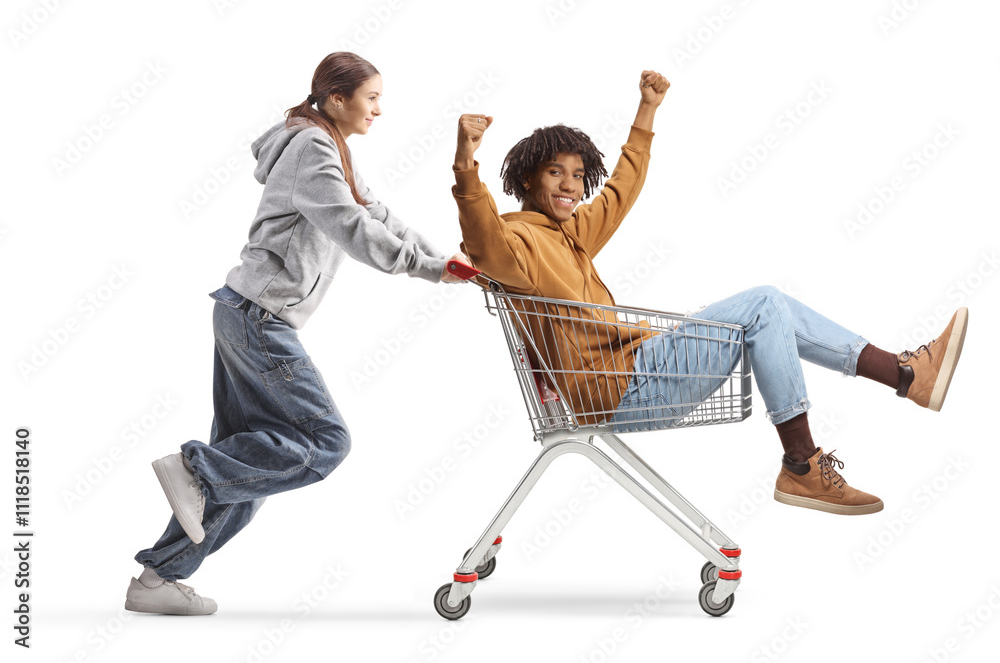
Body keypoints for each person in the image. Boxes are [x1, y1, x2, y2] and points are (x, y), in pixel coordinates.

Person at [450, 69, 967, 519]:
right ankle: (808, 460)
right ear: (525, 178)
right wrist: (466, 165)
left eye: (578, 175)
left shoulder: (571, 234)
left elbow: (620, 191)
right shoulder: (516, 243)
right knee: (765, 302)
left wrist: (646, 111)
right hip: (624, 387)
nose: (570, 185)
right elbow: (483, 240)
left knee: (774, 308)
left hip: (640, 366)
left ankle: (903, 377)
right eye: (555, 173)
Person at [125, 52, 469, 616]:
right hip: (259, 318)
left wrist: (444, 260)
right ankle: (196, 469)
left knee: (253, 468)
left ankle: (157, 578)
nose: (380, 109)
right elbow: (351, 226)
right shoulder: (312, 148)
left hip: (247, 313)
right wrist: (428, 268)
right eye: (373, 98)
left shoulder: (330, 145)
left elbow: (377, 212)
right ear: (338, 99)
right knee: (326, 444)